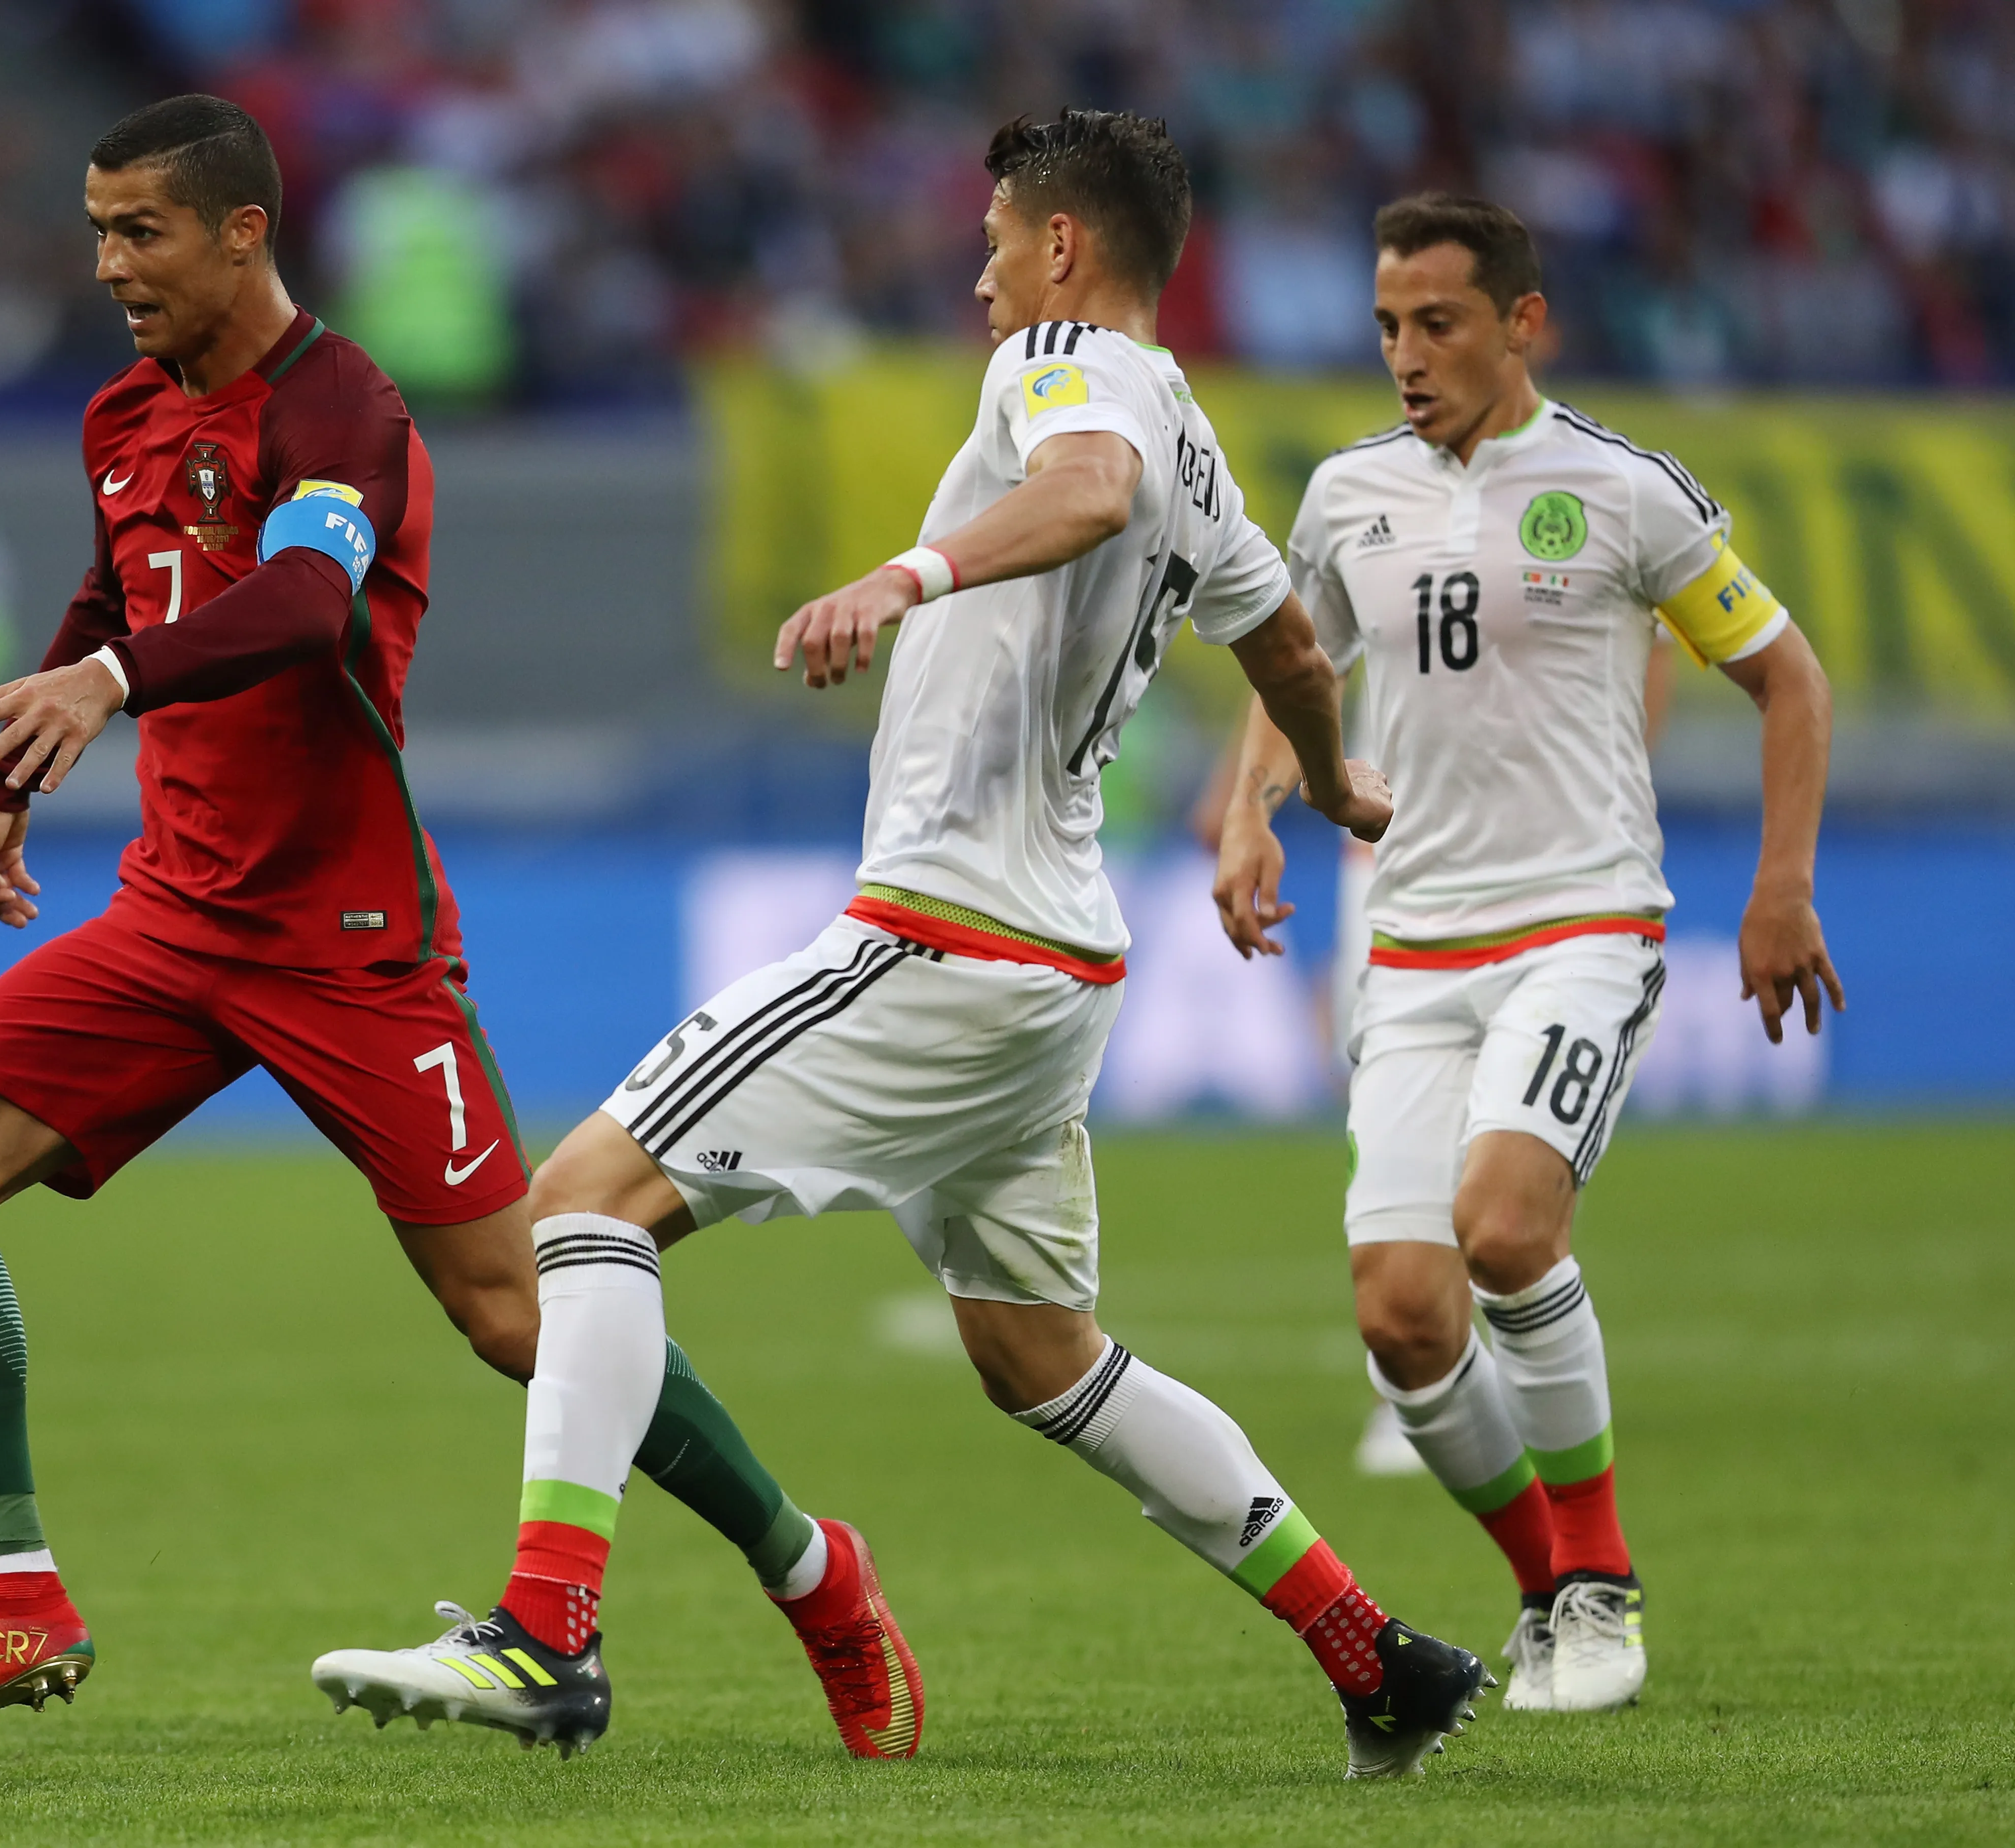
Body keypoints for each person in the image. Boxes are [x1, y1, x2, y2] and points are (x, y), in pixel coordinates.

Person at [317, 109, 1494, 1781]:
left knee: (581, 1204)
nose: (981, 275)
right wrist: (1320, 779)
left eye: (1000, 240)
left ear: (1069, 250)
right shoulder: (1207, 446)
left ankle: (544, 1630)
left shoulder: (1068, 369)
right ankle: (1378, 1657)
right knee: (1041, 1358)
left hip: (944, 934)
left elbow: (1085, 495)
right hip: (1060, 972)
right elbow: (1292, 641)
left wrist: (905, 574)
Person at [0, 94, 905, 1760]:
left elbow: (300, 605)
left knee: (520, 1316)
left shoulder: (345, 410)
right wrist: (11, 774)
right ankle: (14, 1596)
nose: (109, 265)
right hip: (173, 921)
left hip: (346, 941)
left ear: (243, 231)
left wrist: (105, 685)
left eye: (142, 233)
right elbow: (124, 588)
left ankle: (813, 1568)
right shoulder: (124, 410)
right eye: (98, 230)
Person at [1213, 195, 1841, 1714]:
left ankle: (1605, 1582)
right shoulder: (1351, 491)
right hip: (1415, 945)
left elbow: (1788, 678)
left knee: (1503, 1231)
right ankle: (1548, 1591)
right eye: (1387, 327)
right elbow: (1298, 664)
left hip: (1582, 922)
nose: (1406, 355)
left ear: (1523, 323)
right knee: (1401, 1316)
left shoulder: (1626, 493)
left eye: (1438, 323)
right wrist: (1251, 814)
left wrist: (1782, 884)